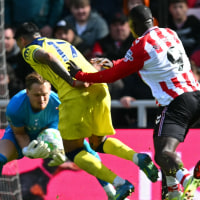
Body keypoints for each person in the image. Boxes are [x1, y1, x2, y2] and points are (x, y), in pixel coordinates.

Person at [68, 4, 200, 200]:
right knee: (159, 143)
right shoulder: (169, 33)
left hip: (176, 102)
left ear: (133, 25)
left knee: (163, 153)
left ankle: (187, 178)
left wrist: (81, 75)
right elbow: (138, 60)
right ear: (152, 20)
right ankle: (172, 189)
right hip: (195, 94)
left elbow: (113, 76)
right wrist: (112, 62)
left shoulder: (141, 44)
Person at [14, 22, 158, 200]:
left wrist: (72, 80)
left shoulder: (29, 49)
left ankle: (120, 183)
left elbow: (48, 57)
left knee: (72, 151)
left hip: (76, 93)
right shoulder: (60, 42)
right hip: (99, 86)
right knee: (98, 143)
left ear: (21, 40)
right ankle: (138, 157)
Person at [0, 72, 119, 200]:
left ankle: (110, 191)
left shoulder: (58, 103)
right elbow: (20, 133)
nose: (41, 99)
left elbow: (59, 130)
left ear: (50, 90)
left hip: (47, 132)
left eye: (45, 95)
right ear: (27, 92)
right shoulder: (15, 107)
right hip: (21, 134)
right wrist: (27, 150)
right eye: (36, 95)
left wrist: (56, 146)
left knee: (87, 150)